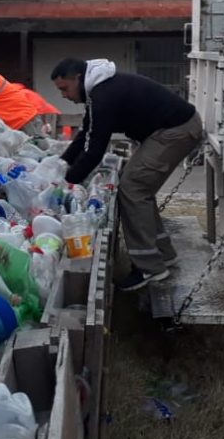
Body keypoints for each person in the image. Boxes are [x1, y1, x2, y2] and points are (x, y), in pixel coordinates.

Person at [51, 57, 202, 291]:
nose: (64, 95)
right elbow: (86, 134)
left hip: (175, 131)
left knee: (132, 188)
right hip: (173, 128)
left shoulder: (104, 95)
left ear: (78, 78)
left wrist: (65, 181)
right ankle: (163, 253)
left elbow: (95, 150)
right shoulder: (99, 90)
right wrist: (61, 164)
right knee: (140, 189)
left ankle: (149, 268)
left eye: (64, 88)